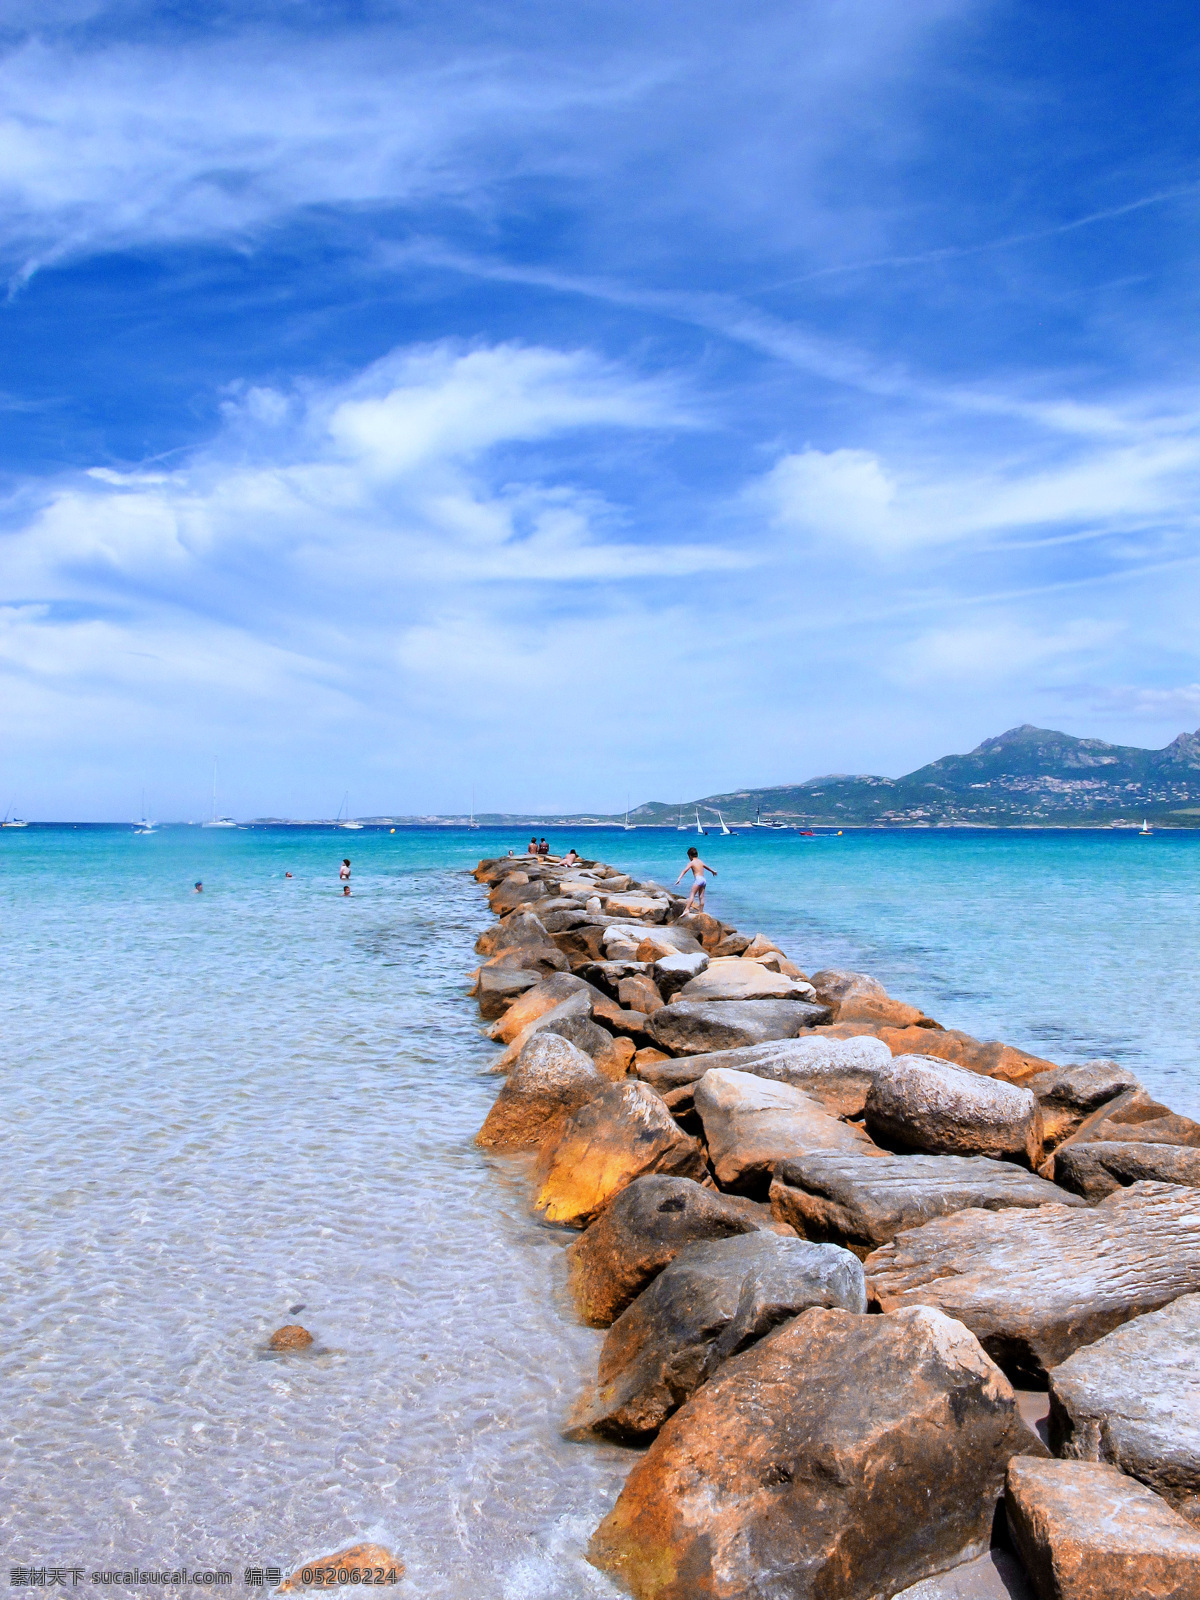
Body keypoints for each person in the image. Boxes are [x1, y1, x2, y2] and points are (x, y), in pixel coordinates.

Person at [675, 846, 715, 913]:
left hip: (698, 879)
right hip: (703, 880)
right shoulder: (700, 861)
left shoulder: (692, 862)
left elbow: (685, 870)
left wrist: (679, 878)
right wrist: (713, 871)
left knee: (692, 895)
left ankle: (687, 909)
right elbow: (706, 867)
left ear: (690, 856)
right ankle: (701, 912)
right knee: (701, 897)